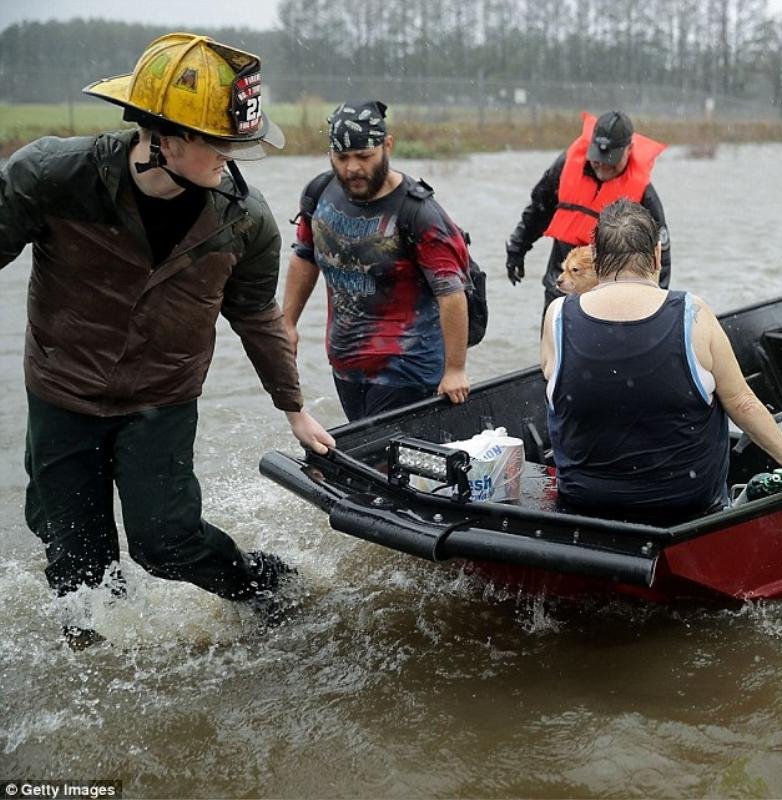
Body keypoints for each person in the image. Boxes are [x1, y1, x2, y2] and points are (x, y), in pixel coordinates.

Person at [0, 33, 335, 646]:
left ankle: (270, 588)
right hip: (62, 391)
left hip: (162, 397)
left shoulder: (244, 218)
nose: (233, 160)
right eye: (222, 144)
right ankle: (97, 674)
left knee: (167, 543)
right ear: (164, 137)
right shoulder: (52, 177)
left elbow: (257, 315)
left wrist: (292, 406)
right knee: (76, 567)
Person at [542, 199, 782, 522]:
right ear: (657, 255)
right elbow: (742, 402)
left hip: (585, 500)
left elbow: (565, 403)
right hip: (682, 503)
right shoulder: (693, 313)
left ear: (597, 258)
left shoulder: (557, 315)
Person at [283, 100, 472, 421]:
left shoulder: (418, 212)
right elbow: (304, 257)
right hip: (345, 361)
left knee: (379, 461)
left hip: (408, 365)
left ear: (387, 146)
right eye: (342, 158)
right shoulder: (319, 193)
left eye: (364, 156)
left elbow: (451, 293)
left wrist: (455, 369)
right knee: (363, 456)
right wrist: (287, 323)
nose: (353, 168)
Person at [506, 110, 671, 312]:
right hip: (562, 287)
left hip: (612, 297)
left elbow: (660, 252)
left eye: (611, 159)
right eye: (598, 157)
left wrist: (656, 306)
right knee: (553, 340)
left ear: (629, 149)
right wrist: (517, 249)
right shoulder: (566, 166)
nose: (602, 165)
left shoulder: (644, 194)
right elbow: (539, 210)